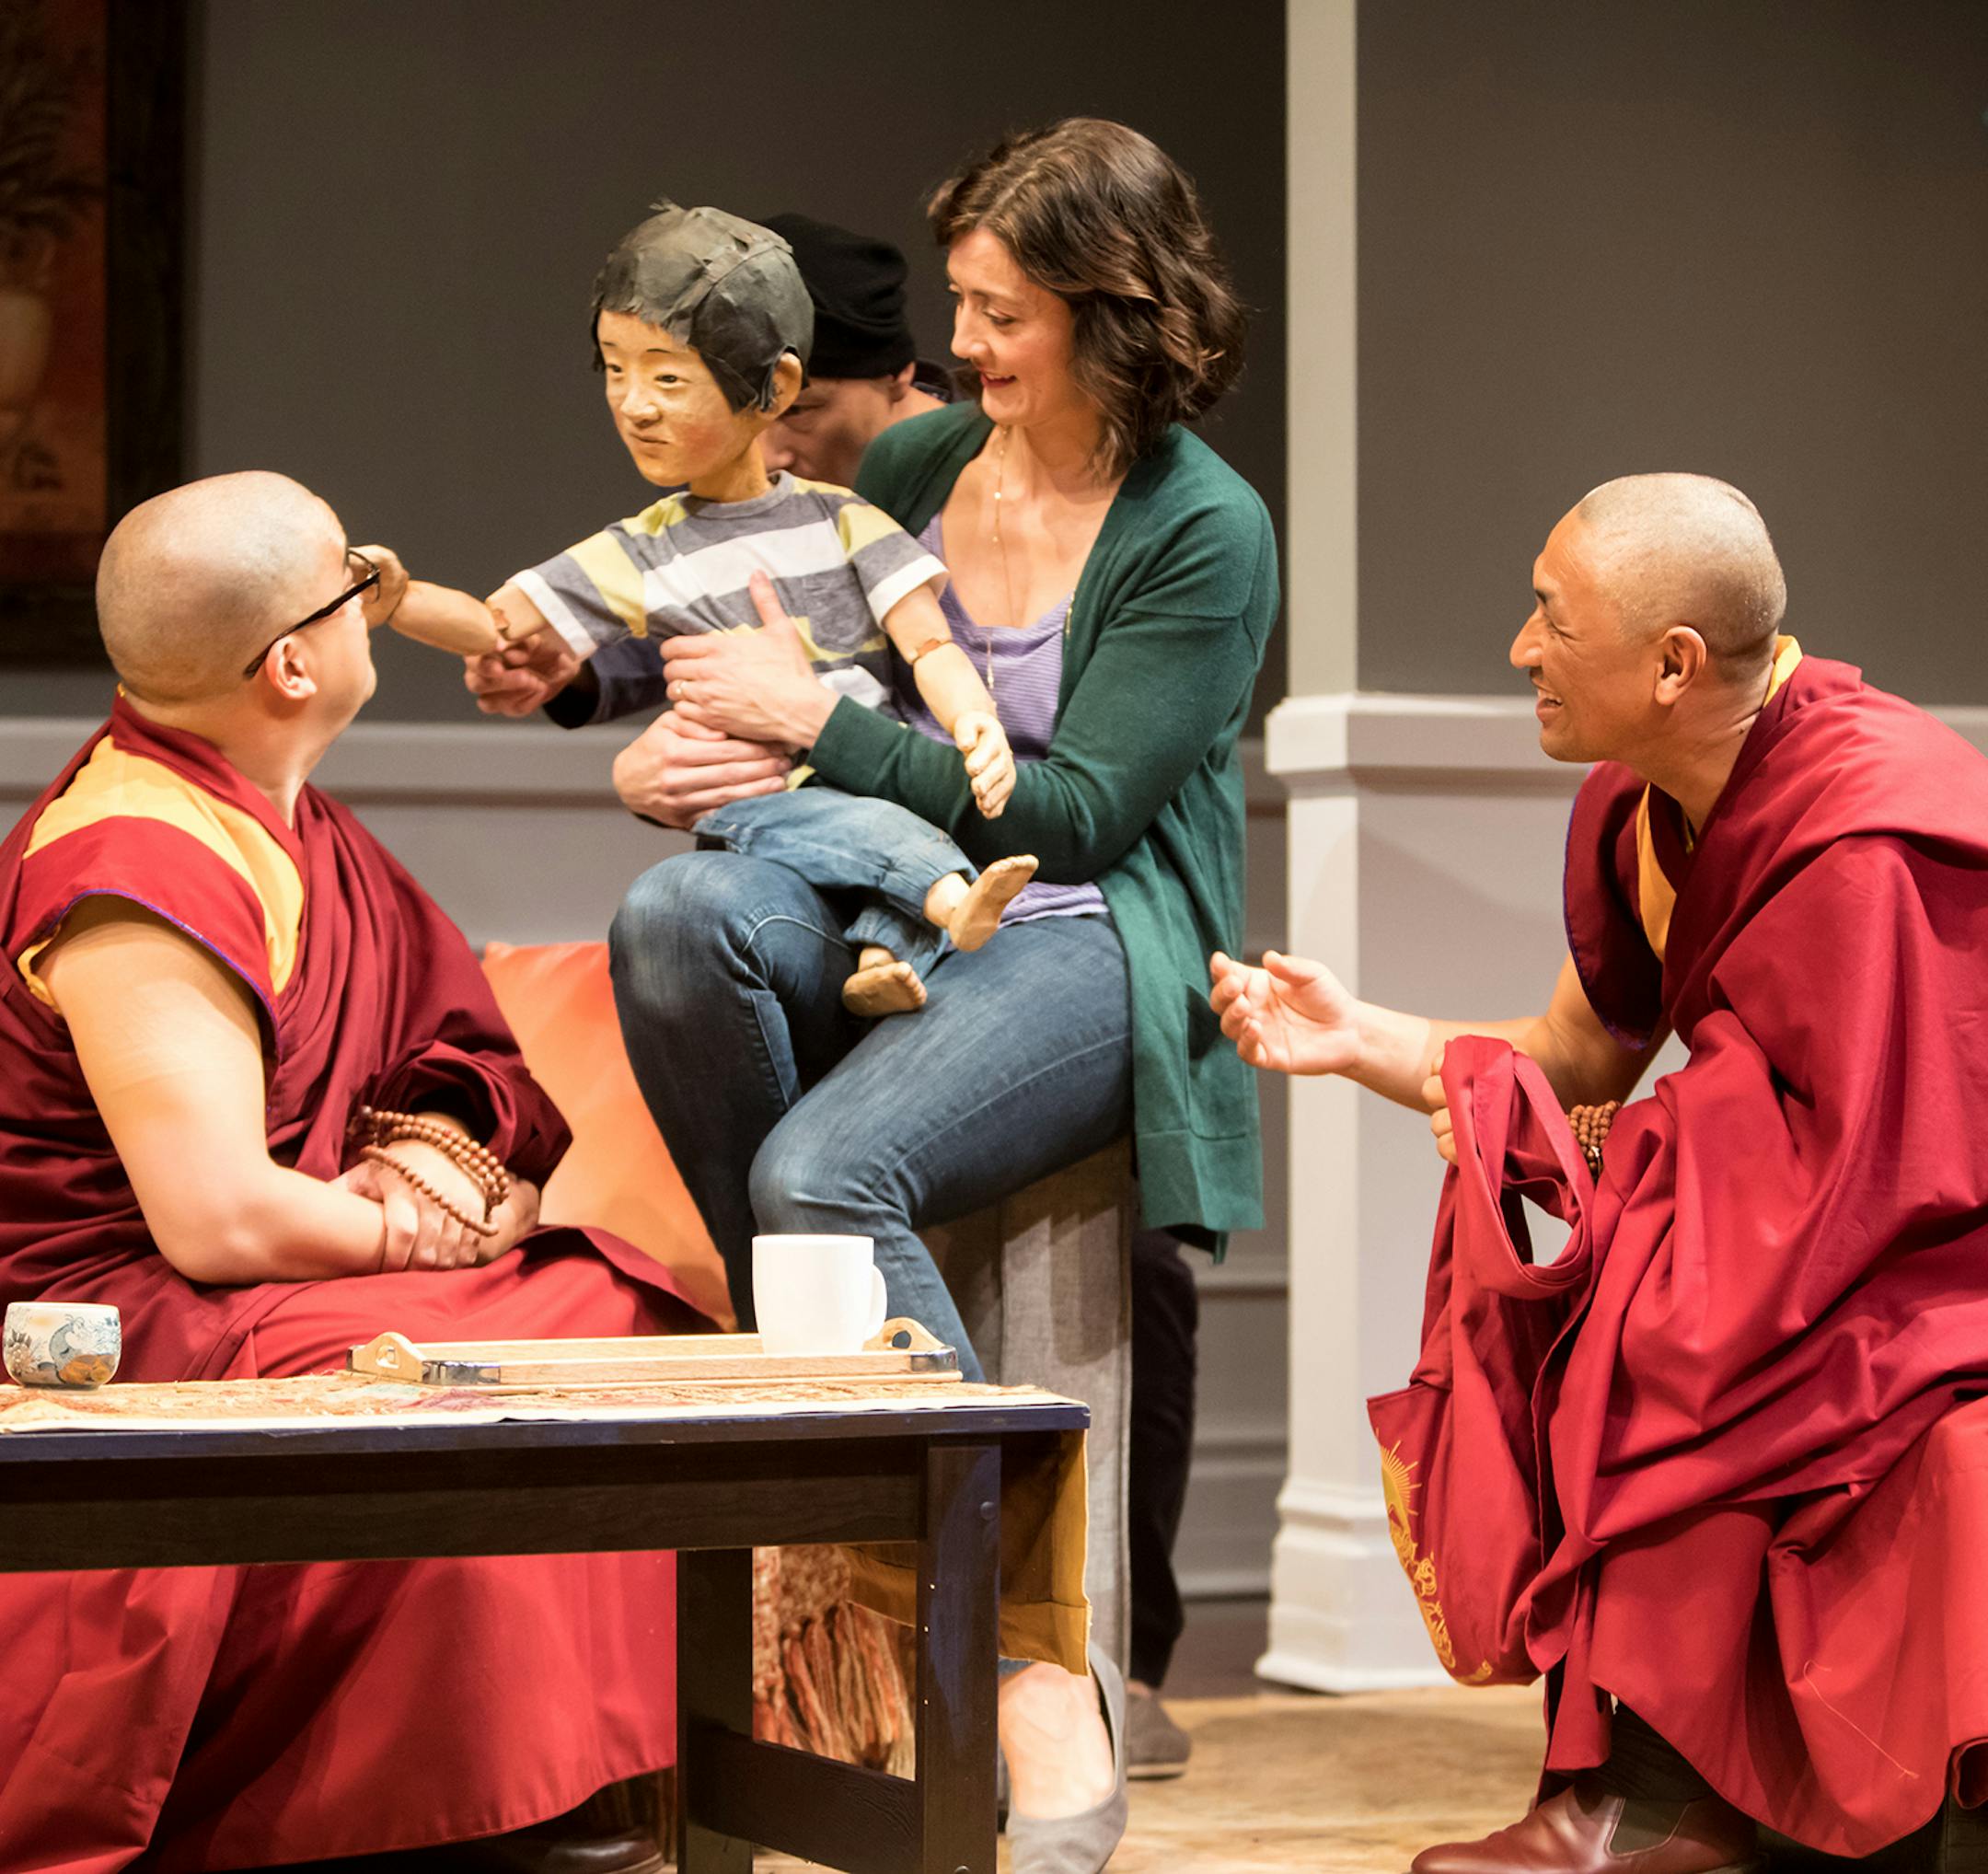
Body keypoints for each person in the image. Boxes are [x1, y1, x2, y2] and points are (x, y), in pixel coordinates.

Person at [607, 118, 1277, 1874]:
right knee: (674, 914)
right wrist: (670, 741)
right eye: (964, 308)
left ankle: (1031, 1661)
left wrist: (813, 725)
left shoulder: (1202, 529)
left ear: (1112, 313)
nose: (959, 349)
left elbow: (1077, 813)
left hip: (1085, 929)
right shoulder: (913, 468)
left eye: (1001, 314)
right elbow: (773, 667)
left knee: (822, 1181)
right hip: (883, 897)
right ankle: (824, 1419)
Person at [1211, 474, 1988, 1873]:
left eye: (1551, 619)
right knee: (1645, 1272)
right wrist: (1361, 1037)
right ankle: (1645, 1789)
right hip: (1820, 1212)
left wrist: (1651, 1189)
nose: (1519, 648)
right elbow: (1580, 1055)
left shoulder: (1875, 834)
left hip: (1936, 1241)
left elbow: (1899, 1149)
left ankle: (1655, 1801)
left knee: (1663, 1305)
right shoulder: (1644, 814)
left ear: (1673, 663)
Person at [0, 469, 711, 1872]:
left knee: (608, 1314)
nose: (383, 591)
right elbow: (212, 1221)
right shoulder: (136, 868)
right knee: (421, 1376)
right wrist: (427, 1242)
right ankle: (396, 1802)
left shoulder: (279, 819)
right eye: (355, 577)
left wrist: (464, 1175)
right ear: (293, 663)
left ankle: (559, 1773)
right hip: (125, 1314)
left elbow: (457, 1080)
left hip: (258, 1271)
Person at [461, 198, 1034, 1014]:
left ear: (899, 375)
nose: (772, 449)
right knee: (684, 908)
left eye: (801, 412)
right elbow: (676, 630)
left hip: (983, 849)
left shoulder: (965, 487)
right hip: (802, 842)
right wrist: (569, 682)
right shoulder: (758, 506)